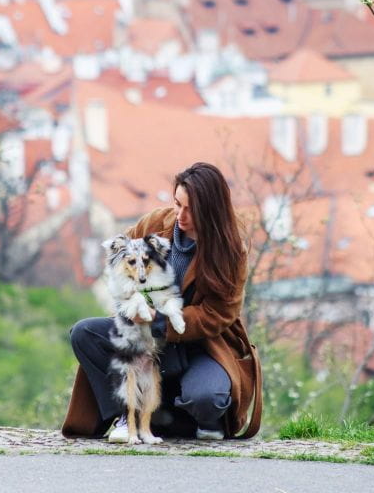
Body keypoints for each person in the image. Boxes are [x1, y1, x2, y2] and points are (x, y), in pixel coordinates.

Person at [62, 162, 262, 441]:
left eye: (192, 209)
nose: (181, 215)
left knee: (205, 398)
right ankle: (126, 413)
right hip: (142, 335)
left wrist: (160, 321)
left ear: (211, 210)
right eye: (178, 204)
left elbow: (217, 315)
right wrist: (133, 301)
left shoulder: (230, 252)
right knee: (84, 333)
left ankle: (190, 418)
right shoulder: (155, 224)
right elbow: (120, 261)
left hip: (201, 346)